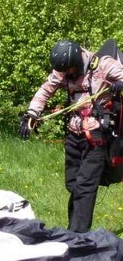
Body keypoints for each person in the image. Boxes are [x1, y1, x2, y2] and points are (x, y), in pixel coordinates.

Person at [20, 39, 123, 232]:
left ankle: (77, 236)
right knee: (73, 183)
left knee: (85, 187)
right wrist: (32, 113)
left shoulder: (103, 65)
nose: (67, 75)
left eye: (69, 71)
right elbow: (46, 89)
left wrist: (119, 84)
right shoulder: (64, 67)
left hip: (97, 137)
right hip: (74, 135)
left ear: (76, 62)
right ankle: (73, 229)